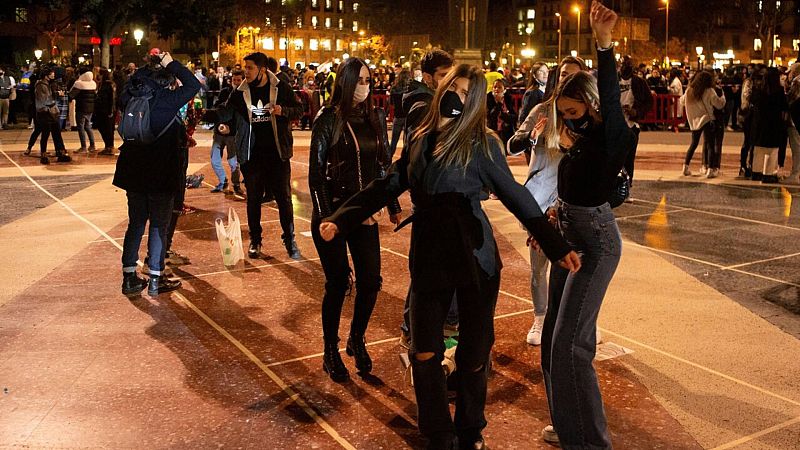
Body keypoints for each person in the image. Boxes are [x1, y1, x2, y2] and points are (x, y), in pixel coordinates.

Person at [319, 63, 579, 450]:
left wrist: (556, 246)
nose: (456, 95)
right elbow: (388, 183)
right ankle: (438, 432)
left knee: (474, 352)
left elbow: (515, 196)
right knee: (425, 350)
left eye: (466, 92)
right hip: (429, 255)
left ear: (475, 102)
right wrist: (341, 218)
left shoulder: (483, 143)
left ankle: (471, 430)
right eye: (453, 86)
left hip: (475, 256)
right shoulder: (420, 138)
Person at [536, 2, 636, 447]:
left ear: (592, 107)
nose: (568, 120)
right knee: (553, 340)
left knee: (571, 345)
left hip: (595, 245)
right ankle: (567, 426)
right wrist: (553, 218)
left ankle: (591, 442)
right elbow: (573, 187)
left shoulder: (611, 133)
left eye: (574, 112)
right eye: (564, 113)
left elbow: (611, 96)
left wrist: (604, 44)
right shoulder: (583, 136)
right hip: (569, 237)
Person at [308, 57, 402, 382]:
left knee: (371, 281)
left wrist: (390, 205)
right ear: (345, 82)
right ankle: (330, 350)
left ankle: (356, 338)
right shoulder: (328, 119)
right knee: (337, 284)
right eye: (359, 80)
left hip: (364, 213)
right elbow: (316, 176)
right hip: (332, 212)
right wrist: (326, 218)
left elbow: (384, 165)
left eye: (368, 81)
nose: (365, 87)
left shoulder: (375, 117)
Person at [113, 51, 200, 296]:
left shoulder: (129, 96)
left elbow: (133, 82)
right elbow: (193, 84)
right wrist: (171, 64)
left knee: (136, 223)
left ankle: (129, 277)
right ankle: (155, 278)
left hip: (133, 170)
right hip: (161, 172)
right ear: (168, 80)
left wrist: (146, 68)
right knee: (158, 226)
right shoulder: (167, 100)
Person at [217, 52, 304, 260]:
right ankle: (255, 240)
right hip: (252, 155)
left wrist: (282, 110)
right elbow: (230, 116)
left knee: (284, 199)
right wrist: (226, 126)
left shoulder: (280, 88)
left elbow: (299, 110)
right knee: (253, 199)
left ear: (262, 70)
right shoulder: (240, 92)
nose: (245, 72)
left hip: (277, 154)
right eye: (245, 67)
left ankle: (289, 238)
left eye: (250, 68)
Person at [680, 70, 725, 178]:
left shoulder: (689, 91)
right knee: (710, 145)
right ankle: (710, 170)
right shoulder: (709, 91)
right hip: (706, 120)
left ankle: (685, 167)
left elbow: (682, 101)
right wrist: (723, 97)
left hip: (694, 121)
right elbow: (719, 104)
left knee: (693, 144)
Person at [750, 67, 788, 183]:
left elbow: (752, 102)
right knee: (772, 151)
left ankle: (756, 172)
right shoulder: (779, 92)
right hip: (773, 124)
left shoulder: (758, 90)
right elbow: (784, 107)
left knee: (758, 149)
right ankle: (768, 173)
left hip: (759, 124)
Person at [209, 69, 244, 194]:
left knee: (233, 162)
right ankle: (223, 181)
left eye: (239, 80)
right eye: (234, 80)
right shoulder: (225, 92)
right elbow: (218, 108)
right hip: (219, 132)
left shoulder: (245, 94)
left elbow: (240, 117)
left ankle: (236, 184)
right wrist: (220, 124)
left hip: (233, 135)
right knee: (214, 159)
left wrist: (231, 128)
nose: (236, 82)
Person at [33, 66, 70, 165]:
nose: (53, 74)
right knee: (45, 134)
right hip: (45, 113)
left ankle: (61, 152)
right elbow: (44, 100)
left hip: (52, 112)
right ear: (46, 75)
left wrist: (56, 94)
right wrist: (56, 95)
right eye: (51, 73)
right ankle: (43, 155)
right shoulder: (41, 85)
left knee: (57, 133)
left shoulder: (48, 84)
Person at [69, 68, 97, 153]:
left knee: (80, 127)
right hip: (90, 108)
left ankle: (83, 147)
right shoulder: (93, 84)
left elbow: (71, 95)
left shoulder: (79, 84)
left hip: (81, 108)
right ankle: (92, 145)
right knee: (88, 126)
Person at [389, 69, 412, 157]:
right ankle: (405, 160)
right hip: (408, 116)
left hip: (398, 116)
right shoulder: (410, 89)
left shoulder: (394, 88)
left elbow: (391, 103)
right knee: (407, 142)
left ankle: (388, 159)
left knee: (394, 141)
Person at [487, 79, 517, 144]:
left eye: (499, 87)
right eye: (495, 87)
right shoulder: (488, 98)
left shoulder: (508, 98)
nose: (496, 89)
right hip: (492, 131)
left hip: (506, 131)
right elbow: (491, 116)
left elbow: (514, 117)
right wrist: (499, 103)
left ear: (504, 89)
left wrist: (503, 115)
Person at [94, 68, 117, 155]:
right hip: (101, 110)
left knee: (107, 129)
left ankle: (109, 146)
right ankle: (108, 146)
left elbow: (111, 99)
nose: (98, 76)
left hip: (106, 110)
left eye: (99, 74)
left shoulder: (108, 85)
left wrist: (111, 111)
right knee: (103, 128)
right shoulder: (101, 84)